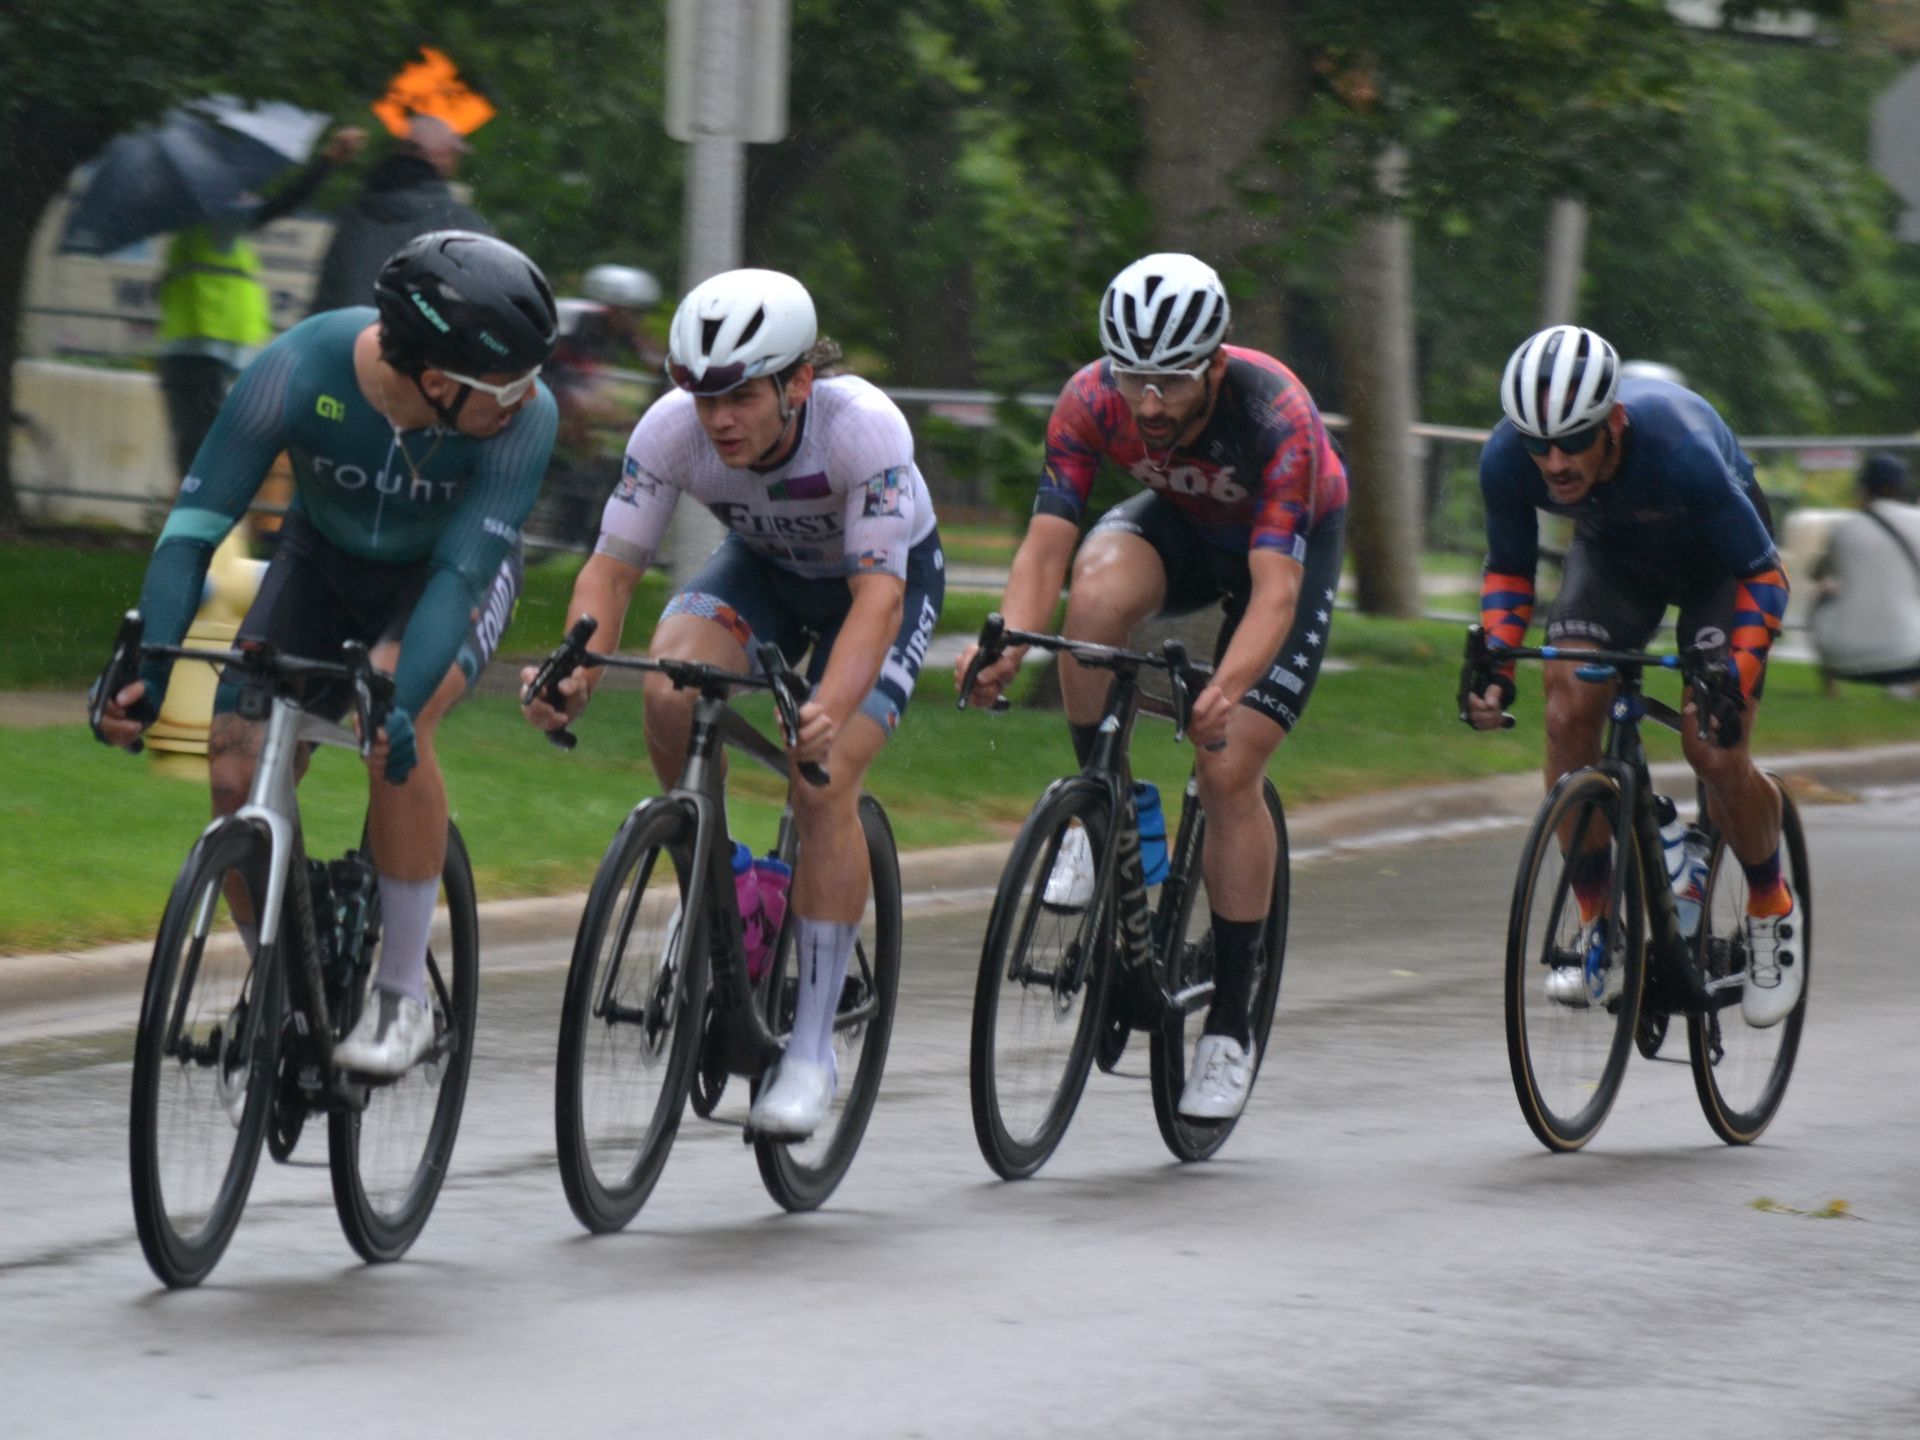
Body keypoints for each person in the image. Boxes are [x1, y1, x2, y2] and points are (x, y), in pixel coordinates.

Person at [96, 230, 560, 1076]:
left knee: (396, 710)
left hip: (445, 575)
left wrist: (396, 702)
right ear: (433, 378)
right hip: (322, 559)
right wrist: (147, 673)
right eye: (509, 382)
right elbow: (191, 533)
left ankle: (399, 999)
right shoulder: (300, 366)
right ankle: (282, 978)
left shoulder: (522, 427)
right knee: (234, 765)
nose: (529, 398)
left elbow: (459, 581)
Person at [521, 268, 945, 1140]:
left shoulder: (862, 429)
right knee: (671, 685)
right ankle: (732, 886)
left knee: (822, 781)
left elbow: (878, 604)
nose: (718, 419)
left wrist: (826, 708)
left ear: (797, 383)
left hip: (878, 589)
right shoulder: (671, 432)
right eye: (700, 393)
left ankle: (812, 1048)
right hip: (768, 575)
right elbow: (611, 568)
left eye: (742, 396)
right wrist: (578, 665)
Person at [952, 252, 1348, 1122]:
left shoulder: (1276, 413)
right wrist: (1010, 643)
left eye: (1171, 381)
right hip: (1181, 529)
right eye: (1134, 377)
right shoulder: (1092, 398)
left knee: (1227, 767)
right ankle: (1105, 807)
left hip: (1282, 553)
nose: (1150, 403)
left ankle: (1231, 1026)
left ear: (1214, 364)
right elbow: (1046, 547)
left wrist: (1230, 685)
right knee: (1091, 597)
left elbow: (1275, 592)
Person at [1461, 324, 1800, 1027]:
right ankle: (1598, 928)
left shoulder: (1680, 447)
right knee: (1568, 710)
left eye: (1573, 441)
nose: (1553, 463)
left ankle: (1772, 908)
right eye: (1538, 444)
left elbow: (1764, 575)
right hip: (1615, 558)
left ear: (1613, 422)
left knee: (1712, 747)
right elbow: (1508, 570)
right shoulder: (1506, 457)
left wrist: (1733, 675)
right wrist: (1494, 657)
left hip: (1719, 566)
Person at [157, 126, 368, 479]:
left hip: (189, 345)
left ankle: (195, 515)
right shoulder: (220, 218)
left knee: (193, 443)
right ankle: (205, 517)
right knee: (207, 444)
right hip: (211, 345)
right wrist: (327, 162)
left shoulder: (187, 225)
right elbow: (282, 204)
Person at [307, 115, 491, 317]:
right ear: (440, 157)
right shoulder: (458, 221)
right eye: (454, 155)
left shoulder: (356, 209)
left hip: (339, 334)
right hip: (403, 343)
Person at [1810, 452, 1920, 692]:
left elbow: (1816, 574)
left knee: (1822, 593)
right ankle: (1912, 686)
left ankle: (1830, 689)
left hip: (1846, 659)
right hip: (1910, 656)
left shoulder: (1844, 529)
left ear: (1863, 488)